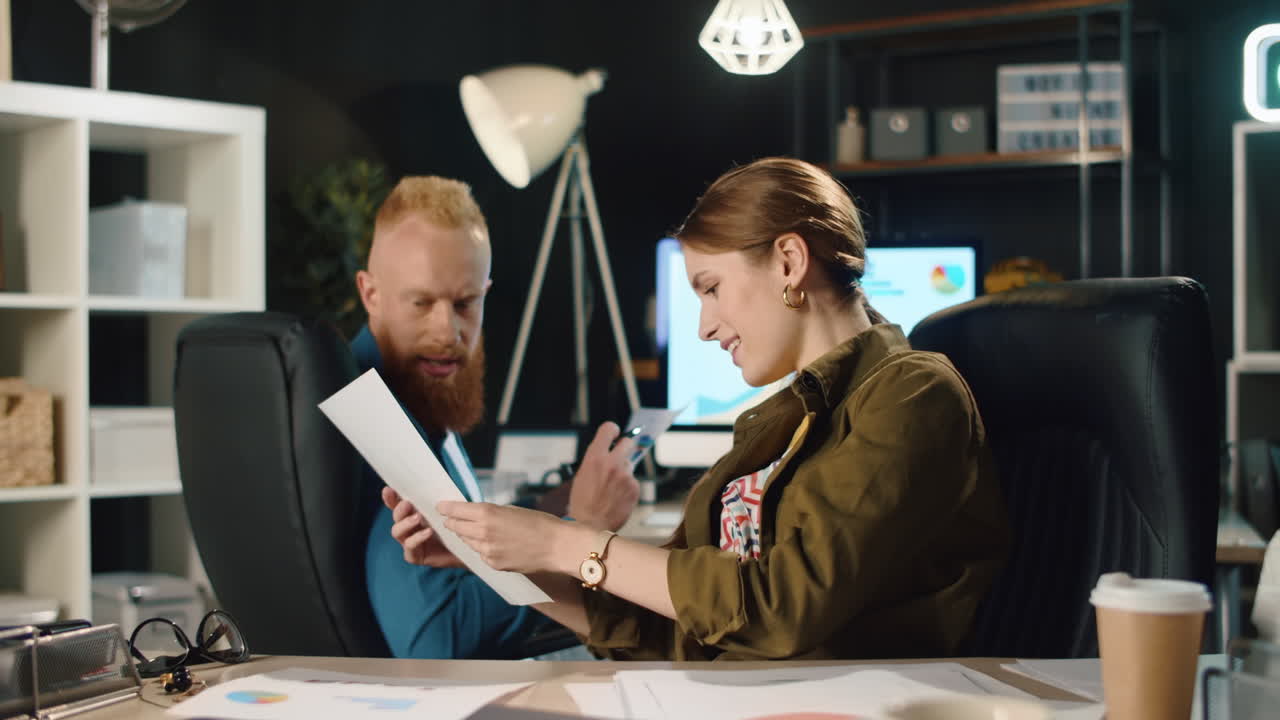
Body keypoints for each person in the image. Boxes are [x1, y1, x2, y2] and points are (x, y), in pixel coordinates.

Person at [392, 158, 1009, 660]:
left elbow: (779, 606)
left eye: (710, 288)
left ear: (789, 262)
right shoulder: (780, 422)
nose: (706, 327)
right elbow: (664, 626)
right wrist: (489, 557)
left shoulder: (913, 395)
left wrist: (564, 542)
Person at [354, 176, 641, 659]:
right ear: (371, 294)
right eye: (422, 303)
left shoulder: (418, 391)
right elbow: (439, 642)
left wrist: (541, 523)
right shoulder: (380, 420)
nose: (448, 331)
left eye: (466, 303)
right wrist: (579, 531)